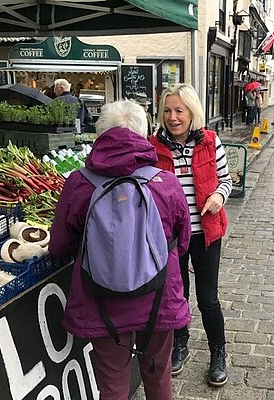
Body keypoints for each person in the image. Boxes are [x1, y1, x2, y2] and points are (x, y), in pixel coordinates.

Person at [48, 99, 192, 400]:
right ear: (143, 136)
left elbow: (59, 245)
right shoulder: (165, 182)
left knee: (113, 386)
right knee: (159, 377)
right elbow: (184, 240)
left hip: (100, 299)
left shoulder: (79, 182)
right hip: (158, 295)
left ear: (101, 135)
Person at [149, 83, 232, 387]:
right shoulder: (153, 146)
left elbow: (226, 181)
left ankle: (217, 352)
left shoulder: (210, 141)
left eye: (179, 110)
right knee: (177, 295)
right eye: (167, 111)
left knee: (208, 298)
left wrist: (219, 197)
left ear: (191, 112)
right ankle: (180, 343)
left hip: (206, 231)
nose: (173, 117)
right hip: (171, 237)